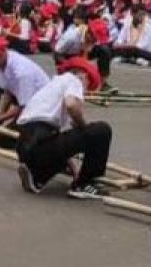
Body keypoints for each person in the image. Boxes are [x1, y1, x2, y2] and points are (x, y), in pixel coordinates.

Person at [14, 57, 113, 199]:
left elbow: (60, 140)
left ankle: (37, 175)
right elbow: (71, 104)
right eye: (87, 86)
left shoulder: (53, 84)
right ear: (84, 76)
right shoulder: (74, 80)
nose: (84, 92)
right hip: (41, 140)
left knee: (60, 144)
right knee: (100, 131)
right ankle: (84, 184)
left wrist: (72, 165)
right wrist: (82, 125)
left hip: (26, 142)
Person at [0, 35, 51, 147]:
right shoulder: (3, 64)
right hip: (26, 99)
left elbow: (23, 106)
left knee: (1, 139)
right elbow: (7, 93)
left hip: (41, 108)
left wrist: (0, 120)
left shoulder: (22, 72)